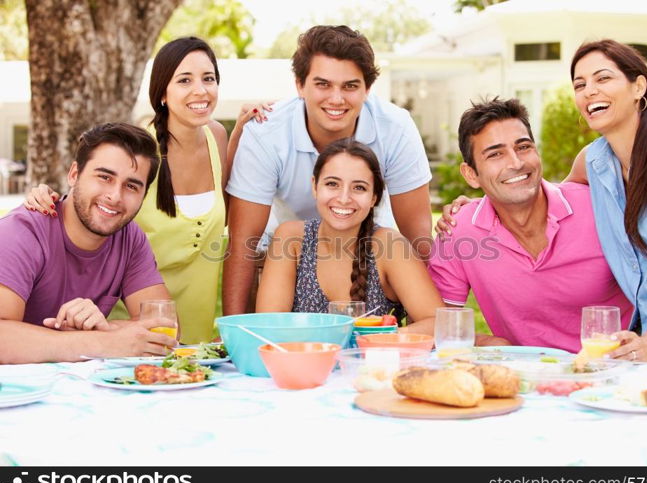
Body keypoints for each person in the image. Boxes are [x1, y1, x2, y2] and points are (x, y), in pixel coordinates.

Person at [24, 37, 267, 344]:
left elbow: (228, 211)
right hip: (124, 325)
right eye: (184, 80)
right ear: (162, 93)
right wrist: (44, 195)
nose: (201, 90)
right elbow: (93, 202)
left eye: (209, 78)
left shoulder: (217, 136)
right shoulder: (140, 151)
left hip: (197, 327)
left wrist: (242, 130)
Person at [223, 25, 434, 316]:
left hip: (370, 246)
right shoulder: (267, 133)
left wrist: (424, 320)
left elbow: (418, 234)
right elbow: (241, 243)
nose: (336, 99)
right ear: (300, 85)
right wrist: (233, 336)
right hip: (286, 250)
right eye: (323, 84)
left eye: (350, 86)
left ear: (367, 89)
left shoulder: (395, 127)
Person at [428, 98, 632, 352]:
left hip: (616, 371)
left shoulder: (598, 207)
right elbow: (438, 329)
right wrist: (490, 342)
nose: (515, 162)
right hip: (525, 381)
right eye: (495, 154)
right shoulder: (458, 231)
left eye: (523, 147)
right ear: (471, 174)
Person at [567, 39, 647, 373]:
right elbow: (543, 201)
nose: (589, 91)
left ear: (638, 86)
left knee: (632, 391)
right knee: (583, 383)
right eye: (580, 85)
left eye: (603, 79)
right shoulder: (592, 160)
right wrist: (474, 207)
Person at [0, 123, 177, 364]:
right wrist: (97, 343)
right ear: (74, 174)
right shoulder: (21, 232)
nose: (115, 196)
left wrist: (104, 328)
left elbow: (165, 327)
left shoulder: (130, 238)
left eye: (131, 186)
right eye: (104, 177)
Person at [256, 138, 442, 335]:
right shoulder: (291, 239)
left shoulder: (389, 245)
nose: (344, 198)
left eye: (359, 187)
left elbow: (436, 323)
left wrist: (376, 340)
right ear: (315, 186)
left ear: (373, 198)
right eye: (332, 184)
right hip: (304, 363)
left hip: (373, 365)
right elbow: (269, 325)